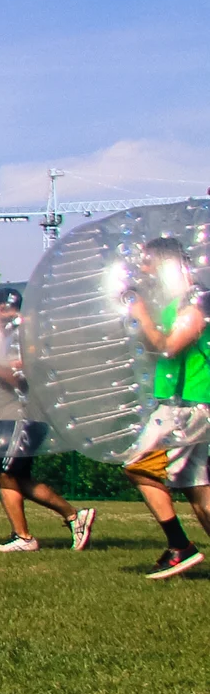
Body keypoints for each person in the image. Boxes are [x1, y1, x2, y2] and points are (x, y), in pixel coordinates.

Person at [0, 286, 92, 553]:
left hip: (22, 415)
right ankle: (74, 516)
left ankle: (24, 537)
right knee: (13, 476)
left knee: (2, 472)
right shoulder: (4, 339)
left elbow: (19, 379)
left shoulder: (23, 337)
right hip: (9, 413)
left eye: (0, 309)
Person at [123, 236, 210, 581]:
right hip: (182, 403)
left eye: (147, 262)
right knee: (198, 489)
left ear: (165, 263)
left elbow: (170, 347)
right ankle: (181, 548)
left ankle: (180, 547)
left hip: (185, 404)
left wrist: (141, 314)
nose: (143, 270)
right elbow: (156, 347)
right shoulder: (177, 302)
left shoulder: (196, 299)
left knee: (137, 466)